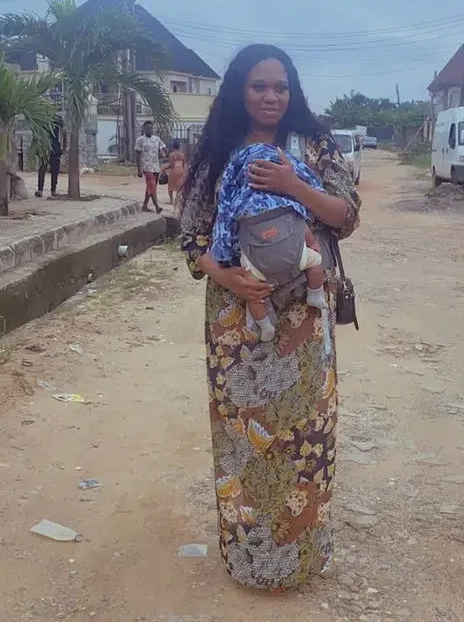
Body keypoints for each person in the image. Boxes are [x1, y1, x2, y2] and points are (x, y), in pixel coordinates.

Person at [180, 44, 361, 591]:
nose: (271, 96)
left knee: (306, 436)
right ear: (239, 90)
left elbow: (346, 217)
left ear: (292, 91)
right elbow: (192, 239)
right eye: (259, 86)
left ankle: (302, 560)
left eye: (280, 87)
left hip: (304, 318)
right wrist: (229, 277)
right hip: (237, 319)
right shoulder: (217, 150)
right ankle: (250, 561)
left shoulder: (313, 144)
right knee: (245, 438)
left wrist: (293, 186)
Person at [212, 142, 328, 342]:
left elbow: (226, 232)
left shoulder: (237, 205)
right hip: (297, 256)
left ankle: (264, 324)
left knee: (254, 294)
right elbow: (302, 226)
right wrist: (313, 244)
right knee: (316, 262)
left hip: (256, 268)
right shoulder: (287, 203)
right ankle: (315, 294)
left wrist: (225, 260)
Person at [135, 121, 166, 213]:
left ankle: (144, 206)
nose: (149, 129)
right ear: (144, 129)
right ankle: (157, 207)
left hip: (156, 166)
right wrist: (139, 169)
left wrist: (163, 154)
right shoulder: (140, 140)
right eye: (147, 128)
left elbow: (164, 150)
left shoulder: (157, 139)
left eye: (151, 128)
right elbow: (137, 155)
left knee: (151, 187)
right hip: (146, 166)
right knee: (152, 185)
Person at [35, 115, 66, 198]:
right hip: (51, 147)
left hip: (46, 147)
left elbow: (36, 133)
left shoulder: (42, 117)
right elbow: (64, 132)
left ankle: (43, 190)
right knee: (52, 170)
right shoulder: (56, 118)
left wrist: (64, 147)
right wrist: (64, 147)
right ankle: (51, 191)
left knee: (44, 169)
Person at [165, 139, 187, 208]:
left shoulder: (171, 154)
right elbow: (183, 164)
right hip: (181, 170)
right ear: (179, 146)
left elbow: (172, 165)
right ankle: (176, 200)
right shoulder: (182, 154)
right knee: (179, 186)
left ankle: (171, 200)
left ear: (173, 146)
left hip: (174, 171)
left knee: (170, 185)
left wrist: (165, 168)